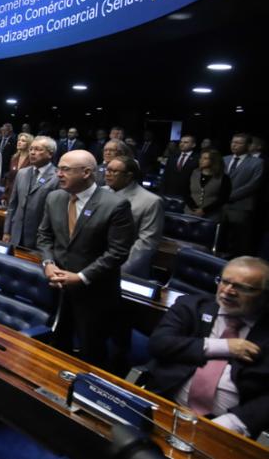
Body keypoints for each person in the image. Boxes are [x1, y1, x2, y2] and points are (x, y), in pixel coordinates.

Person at [145, 256, 269, 437]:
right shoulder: (191, 306)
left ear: (265, 295)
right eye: (224, 281)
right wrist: (224, 347)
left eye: (242, 288)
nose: (228, 291)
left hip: (227, 428)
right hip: (167, 404)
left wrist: (236, 423)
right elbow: (159, 344)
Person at [37, 150, 135, 369]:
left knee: (92, 351)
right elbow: (44, 236)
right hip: (57, 285)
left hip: (94, 292)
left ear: (87, 172)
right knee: (56, 344)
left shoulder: (115, 205)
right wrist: (48, 263)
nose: (58, 174)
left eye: (65, 169)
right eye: (58, 168)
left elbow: (117, 252)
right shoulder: (55, 197)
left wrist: (82, 276)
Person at [105, 156, 163, 278]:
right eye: (107, 170)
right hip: (93, 264)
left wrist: (119, 271)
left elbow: (146, 243)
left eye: (114, 171)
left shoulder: (150, 201)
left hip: (124, 268)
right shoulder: (101, 192)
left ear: (128, 176)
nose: (108, 174)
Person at [4, 136, 58, 249]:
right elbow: (13, 205)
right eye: (31, 149)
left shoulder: (57, 177)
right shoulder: (22, 173)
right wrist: (7, 231)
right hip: (15, 234)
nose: (32, 153)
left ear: (50, 154)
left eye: (38, 149)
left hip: (39, 239)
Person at [224, 134, 264, 256]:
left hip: (241, 206)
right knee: (221, 239)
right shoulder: (224, 159)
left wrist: (228, 196)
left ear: (248, 145)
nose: (234, 145)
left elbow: (253, 184)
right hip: (220, 206)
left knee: (239, 241)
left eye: (238, 143)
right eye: (232, 142)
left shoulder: (257, 162)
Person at [186, 148, 232, 223]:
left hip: (211, 216)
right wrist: (194, 208)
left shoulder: (224, 178)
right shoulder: (193, 173)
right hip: (190, 213)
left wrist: (204, 210)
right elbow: (185, 193)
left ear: (214, 161)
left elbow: (223, 198)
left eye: (205, 158)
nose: (201, 160)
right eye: (201, 157)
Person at [2, 132, 34, 203]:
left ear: (29, 144)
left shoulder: (32, 160)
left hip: (24, 196)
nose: (19, 142)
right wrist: (5, 195)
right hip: (11, 194)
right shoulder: (14, 158)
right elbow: (10, 179)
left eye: (23, 141)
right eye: (19, 140)